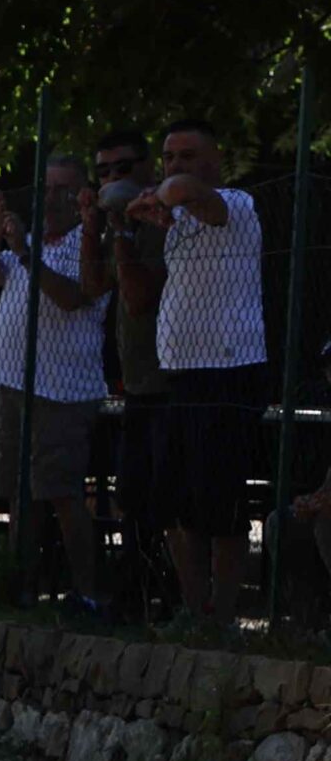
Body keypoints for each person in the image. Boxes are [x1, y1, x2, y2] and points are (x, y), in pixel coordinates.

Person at [125, 118, 268, 623]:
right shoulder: (176, 221)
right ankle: (195, 610)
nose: (176, 166)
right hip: (178, 372)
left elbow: (185, 191)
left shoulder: (238, 204)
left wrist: (163, 194)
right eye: (168, 157)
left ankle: (224, 615)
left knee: (221, 505)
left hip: (227, 370)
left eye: (187, 155)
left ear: (215, 160)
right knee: (175, 506)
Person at [0, 159, 111, 611]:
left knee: (63, 494)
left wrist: (27, 255)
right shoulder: (27, 243)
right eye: (46, 188)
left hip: (62, 389)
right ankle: (21, 590)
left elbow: (72, 298)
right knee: (20, 495)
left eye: (64, 190)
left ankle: (87, 594)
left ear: (83, 196)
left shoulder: (89, 244)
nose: (52, 198)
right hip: (14, 383)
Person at [77, 133, 168, 615]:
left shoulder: (160, 220)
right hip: (135, 384)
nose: (113, 179)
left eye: (123, 169)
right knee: (131, 492)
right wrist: (96, 227)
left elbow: (136, 297)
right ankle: (134, 596)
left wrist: (124, 232)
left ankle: (168, 600)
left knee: (164, 498)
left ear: (147, 168)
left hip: (174, 382)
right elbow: (93, 287)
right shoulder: (120, 225)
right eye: (104, 172)